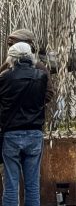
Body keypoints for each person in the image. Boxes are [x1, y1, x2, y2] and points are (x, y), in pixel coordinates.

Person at [0, 41, 50, 206]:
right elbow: (44, 99)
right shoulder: (41, 76)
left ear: (11, 58)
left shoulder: (4, 77)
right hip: (34, 134)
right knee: (33, 186)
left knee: (11, 186)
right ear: (30, 56)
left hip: (11, 134)